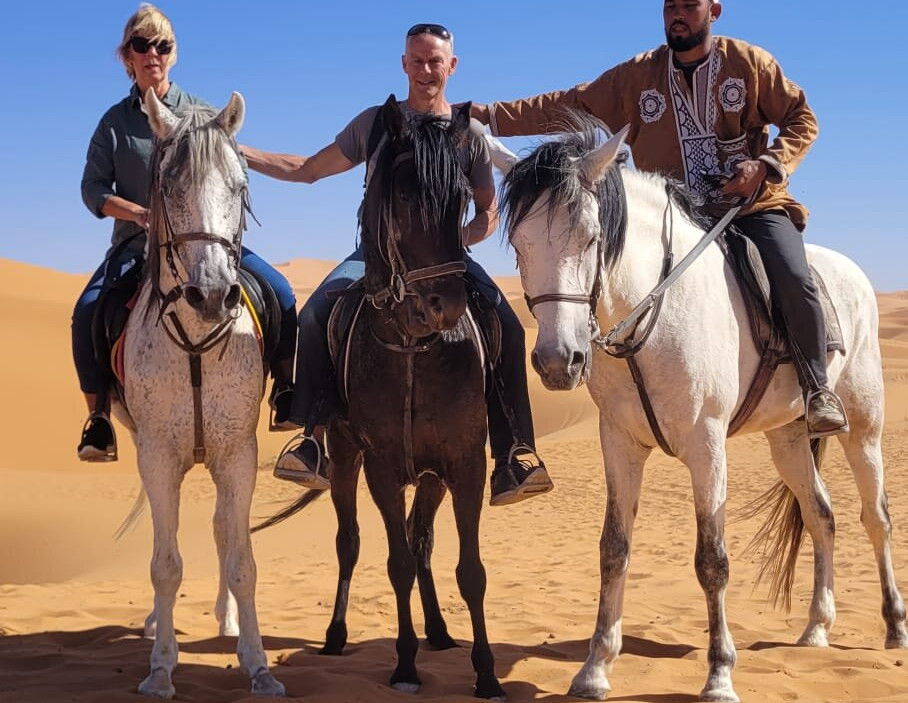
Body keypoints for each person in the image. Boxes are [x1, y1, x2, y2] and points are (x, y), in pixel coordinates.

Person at [472, 0, 848, 438]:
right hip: (669, 216)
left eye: (690, 5)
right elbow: (566, 103)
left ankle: (817, 387)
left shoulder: (749, 63)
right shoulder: (637, 77)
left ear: (714, 11)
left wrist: (765, 164)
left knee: (791, 274)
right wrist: (486, 116)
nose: (678, 14)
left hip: (748, 208)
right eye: (670, 6)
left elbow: (802, 118)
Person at [242, 23, 554, 505]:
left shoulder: (468, 134)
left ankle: (515, 452)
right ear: (404, 64)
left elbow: (488, 209)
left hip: (444, 261)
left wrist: (464, 238)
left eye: (436, 62)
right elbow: (307, 170)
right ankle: (312, 441)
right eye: (418, 60)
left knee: (508, 327)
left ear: (452, 67)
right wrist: (241, 152)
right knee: (313, 314)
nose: (427, 70)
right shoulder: (375, 125)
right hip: (377, 257)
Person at [74, 3, 298, 462]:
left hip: (206, 240)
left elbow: (233, 176)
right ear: (127, 56)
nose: (153, 53)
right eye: (142, 44)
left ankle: (286, 392)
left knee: (281, 292)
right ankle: (97, 420)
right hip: (138, 244)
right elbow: (92, 189)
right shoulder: (115, 125)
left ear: (173, 55)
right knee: (88, 310)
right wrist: (139, 213)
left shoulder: (202, 114)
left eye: (163, 45)